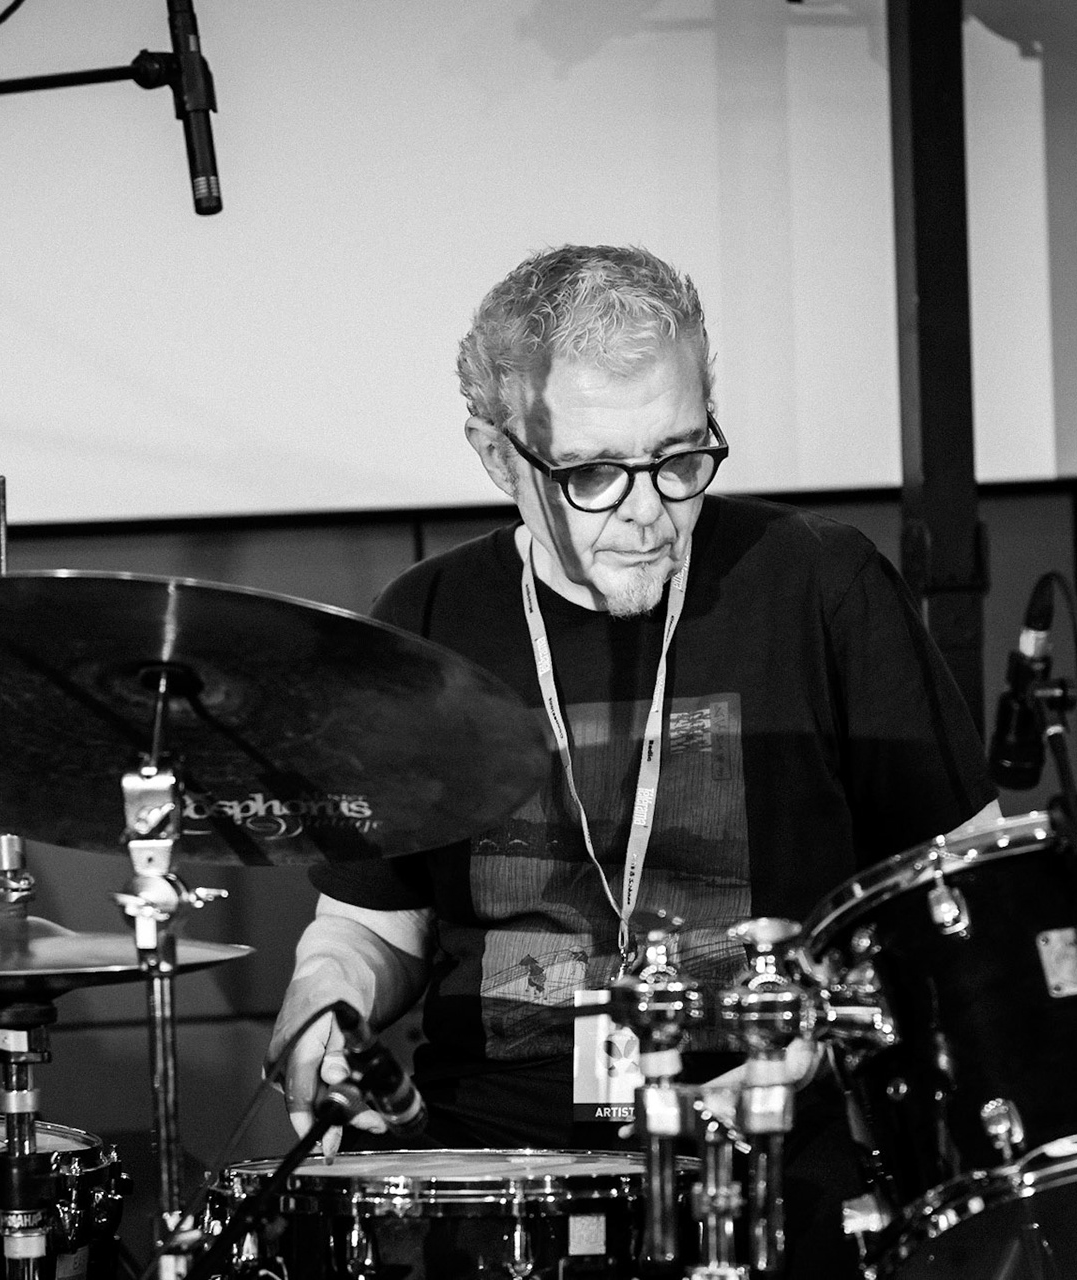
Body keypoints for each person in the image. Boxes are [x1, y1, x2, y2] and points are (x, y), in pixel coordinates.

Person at [266, 244, 999, 1273]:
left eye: (682, 456)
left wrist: (832, 1043)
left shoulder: (820, 586)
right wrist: (324, 1001)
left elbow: (976, 913)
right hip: (493, 1183)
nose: (650, 509)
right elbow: (368, 925)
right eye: (596, 474)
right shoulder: (426, 622)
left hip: (777, 1157)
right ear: (497, 456)